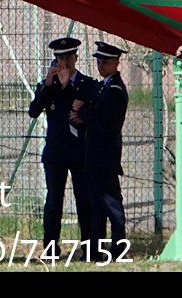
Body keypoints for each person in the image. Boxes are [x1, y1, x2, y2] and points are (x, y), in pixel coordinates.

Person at [27, 36, 94, 255]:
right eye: (59, 58)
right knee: (54, 201)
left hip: (79, 151)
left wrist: (66, 85)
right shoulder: (49, 86)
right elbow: (34, 111)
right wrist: (48, 84)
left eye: (68, 58)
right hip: (56, 151)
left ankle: (89, 247)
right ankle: (51, 247)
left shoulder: (86, 84)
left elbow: (75, 107)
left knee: (84, 200)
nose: (64, 63)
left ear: (75, 57)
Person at [76, 40, 129, 250]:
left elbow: (107, 124)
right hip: (95, 155)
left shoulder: (115, 90)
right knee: (97, 205)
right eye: (98, 62)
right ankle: (95, 250)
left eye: (105, 62)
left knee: (112, 205)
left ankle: (118, 247)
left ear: (116, 63)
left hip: (104, 156)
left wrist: (83, 112)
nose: (100, 66)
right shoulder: (105, 86)